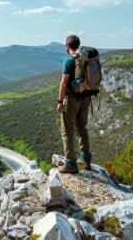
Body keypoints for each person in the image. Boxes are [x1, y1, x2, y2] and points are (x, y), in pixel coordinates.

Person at [56, 35, 92, 174]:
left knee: (67, 130)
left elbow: (64, 82)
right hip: (86, 97)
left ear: (67, 46)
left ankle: (70, 164)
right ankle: (86, 159)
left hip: (71, 99)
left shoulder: (69, 60)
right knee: (82, 127)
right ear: (78, 45)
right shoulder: (85, 59)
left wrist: (60, 102)